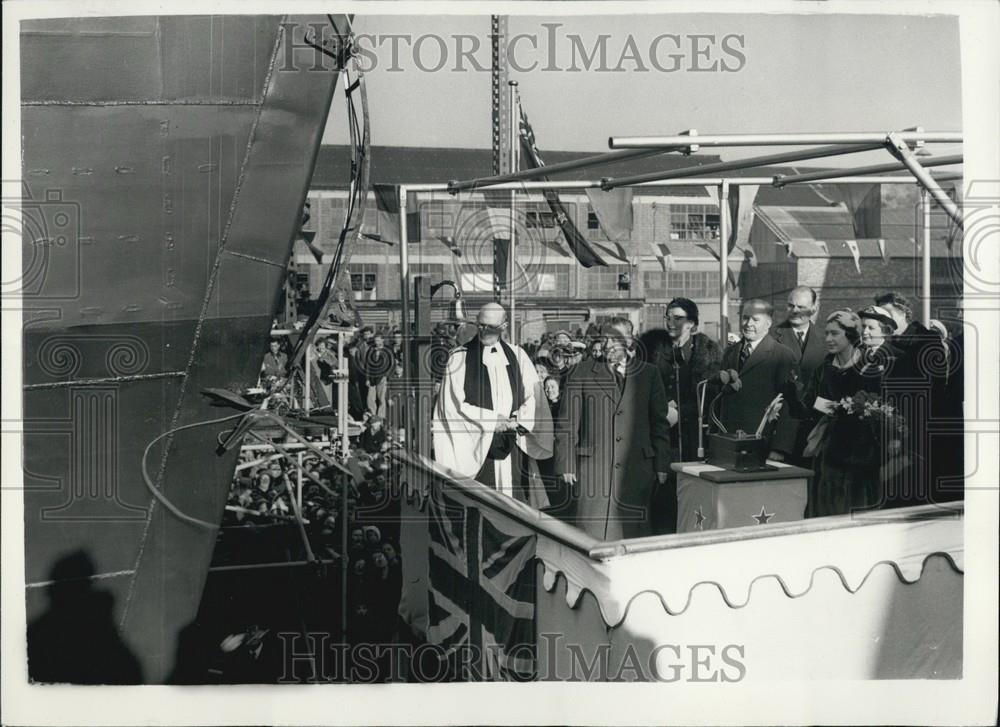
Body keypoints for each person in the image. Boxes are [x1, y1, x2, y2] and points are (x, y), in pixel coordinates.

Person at [553, 326, 671, 540]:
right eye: (603, 339)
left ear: (629, 341)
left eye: (614, 339)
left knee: (633, 538)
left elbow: (659, 424)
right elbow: (567, 423)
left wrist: (661, 464)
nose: (607, 345)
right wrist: (566, 462)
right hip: (593, 473)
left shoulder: (649, 373)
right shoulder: (581, 372)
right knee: (590, 537)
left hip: (636, 471)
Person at [432, 303, 543, 497]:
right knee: (480, 507)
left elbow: (535, 396)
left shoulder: (518, 356)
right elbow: (451, 406)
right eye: (481, 325)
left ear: (504, 326)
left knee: (514, 507)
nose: (484, 331)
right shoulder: (459, 359)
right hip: (478, 447)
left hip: (513, 445)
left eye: (491, 327)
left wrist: (517, 420)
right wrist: (493, 420)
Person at [637, 298, 722, 535]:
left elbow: (712, 397)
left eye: (678, 318)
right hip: (662, 441)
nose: (671, 322)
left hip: (697, 441)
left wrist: (679, 412)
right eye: (668, 317)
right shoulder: (653, 352)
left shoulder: (709, 353)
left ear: (692, 324)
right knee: (663, 502)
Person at [799, 310, 889, 517]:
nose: (828, 339)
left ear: (851, 335)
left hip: (860, 455)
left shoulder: (871, 367)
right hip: (826, 453)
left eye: (835, 333)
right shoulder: (823, 369)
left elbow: (880, 409)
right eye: (827, 333)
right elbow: (808, 403)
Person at [716, 299, 798, 461]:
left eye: (755, 319)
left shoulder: (783, 355)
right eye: (745, 318)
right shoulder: (730, 352)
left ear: (768, 323)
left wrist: (779, 448)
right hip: (730, 441)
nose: (748, 324)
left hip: (762, 444)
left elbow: (790, 405)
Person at [770, 287, 827, 466]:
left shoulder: (827, 338)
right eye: (791, 305)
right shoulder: (770, 336)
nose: (795, 311)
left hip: (814, 433)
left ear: (814, 308)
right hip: (779, 435)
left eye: (801, 306)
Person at [361, 332, 393, 418]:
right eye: (375, 340)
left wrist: (386, 375)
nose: (377, 342)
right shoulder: (371, 350)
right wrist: (367, 378)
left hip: (382, 377)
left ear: (382, 340)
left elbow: (391, 364)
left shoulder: (388, 351)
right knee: (370, 398)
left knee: (381, 398)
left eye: (378, 340)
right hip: (372, 377)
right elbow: (367, 365)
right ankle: (372, 415)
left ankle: (381, 416)